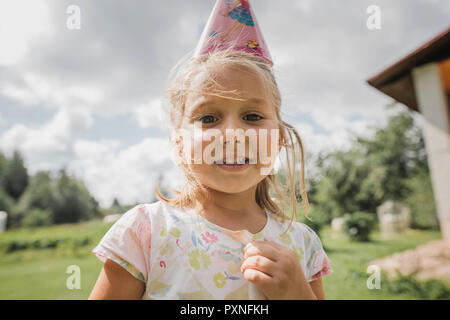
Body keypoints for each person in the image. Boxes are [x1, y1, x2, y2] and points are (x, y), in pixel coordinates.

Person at [89, 0, 332, 300]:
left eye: (252, 117)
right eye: (208, 118)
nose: (231, 134)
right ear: (178, 143)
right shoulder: (145, 233)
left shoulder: (304, 244)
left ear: (279, 140)